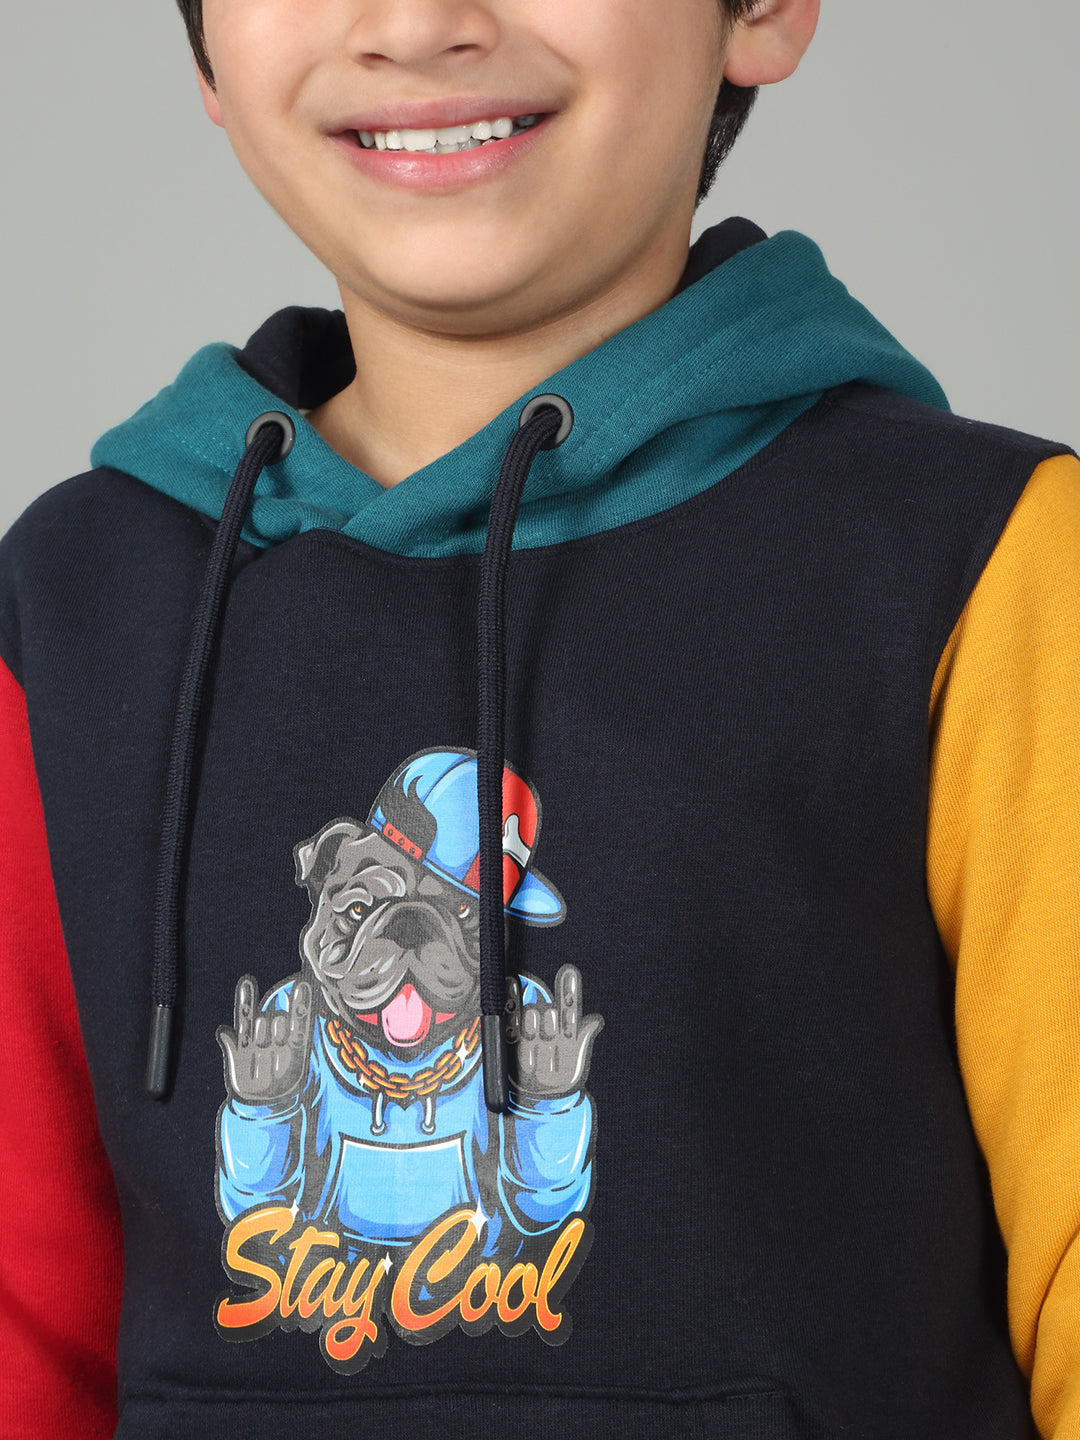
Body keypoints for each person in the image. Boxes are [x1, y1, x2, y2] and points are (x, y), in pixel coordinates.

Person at [0, 0, 1077, 1435]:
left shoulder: (989, 569)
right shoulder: (69, 606)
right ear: (205, 44)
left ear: (760, 9)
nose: (416, 22)